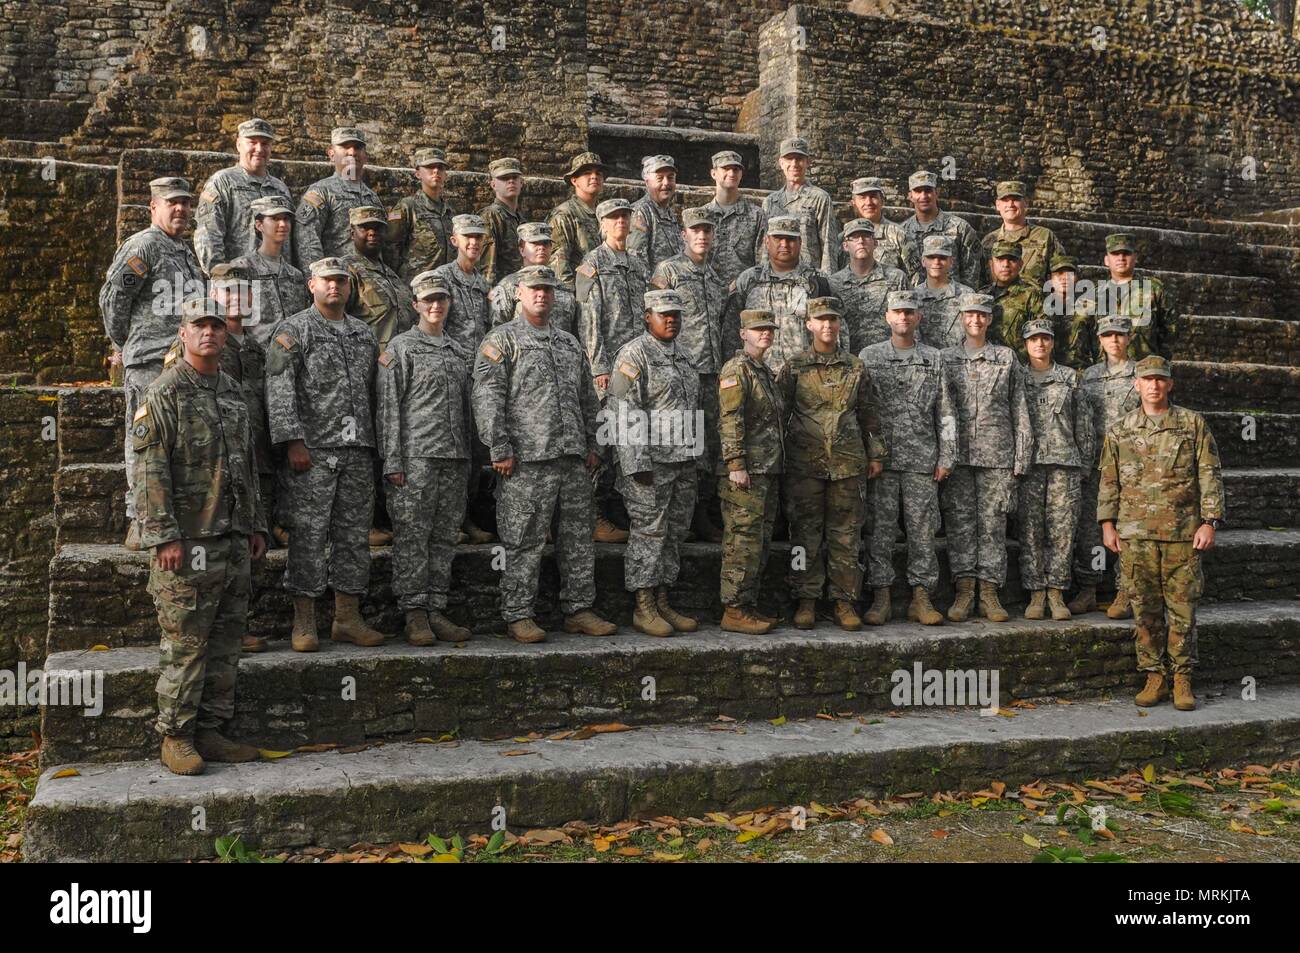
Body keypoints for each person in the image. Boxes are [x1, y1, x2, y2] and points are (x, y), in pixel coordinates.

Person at [132, 296, 266, 775]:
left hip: (231, 538)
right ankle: (176, 735)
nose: (208, 333)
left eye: (215, 325)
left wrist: (254, 525)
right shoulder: (163, 392)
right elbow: (149, 470)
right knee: (187, 642)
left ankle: (211, 729)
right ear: (183, 334)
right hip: (188, 544)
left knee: (227, 641)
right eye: (198, 325)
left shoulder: (231, 391)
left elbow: (245, 465)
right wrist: (164, 536)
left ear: (224, 335)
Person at [472, 265, 617, 643]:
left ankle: (580, 609)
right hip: (525, 461)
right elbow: (488, 398)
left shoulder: (569, 343)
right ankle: (519, 613)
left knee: (578, 538)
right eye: (534, 289)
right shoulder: (501, 340)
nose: (542, 295)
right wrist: (499, 447)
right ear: (519, 292)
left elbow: (589, 397)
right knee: (523, 539)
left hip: (572, 458)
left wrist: (594, 444)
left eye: (548, 289)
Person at [265, 257, 385, 652]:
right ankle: (305, 622)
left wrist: (378, 444)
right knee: (309, 537)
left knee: (353, 538)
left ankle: (347, 618)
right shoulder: (293, 330)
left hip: (357, 450)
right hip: (312, 452)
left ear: (350, 288)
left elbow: (373, 393)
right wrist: (292, 441)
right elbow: (280, 388)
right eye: (327, 281)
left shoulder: (362, 334)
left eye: (341, 281)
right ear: (311, 285)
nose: (335, 286)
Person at [1097, 355, 1224, 711]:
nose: (1153, 385)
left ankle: (1182, 677)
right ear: (1136, 384)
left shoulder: (1191, 424)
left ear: (1170, 384)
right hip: (1135, 534)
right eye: (1146, 379)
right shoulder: (1121, 429)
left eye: (1160, 379)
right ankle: (1154, 675)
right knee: (1145, 610)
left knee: (1182, 610)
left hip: (1183, 532)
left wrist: (1209, 521)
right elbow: (1109, 478)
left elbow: (1209, 473)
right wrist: (1107, 524)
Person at [164, 261, 275, 650]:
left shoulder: (254, 352)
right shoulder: (182, 369)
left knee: (243, 558)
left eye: (244, 292)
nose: (237, 298)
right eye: (228, 292)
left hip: (246, 467)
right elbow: (159, 450)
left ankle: (238, 626)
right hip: (199, 483)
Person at [100, 176, 205, 550]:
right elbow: (114, 301)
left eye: (185, 203)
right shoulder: (144, 246)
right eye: (171, 203)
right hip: (149, 362)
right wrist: (126, 345)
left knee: (178, 443)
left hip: (183, 364)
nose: (180, 209)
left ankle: (170, 516)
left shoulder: (185, 250)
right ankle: (139, 520)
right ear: (153, 208)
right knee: (145, 440)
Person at [376, 271, 474, 646]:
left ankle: (436, 607)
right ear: (415, 304)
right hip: (415, 458)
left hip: (453, 457)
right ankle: (415, 613)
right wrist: (393, 461)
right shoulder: (400, 349)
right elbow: (388, 409)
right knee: (413, 537)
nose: (436, 305)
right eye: (428, 299)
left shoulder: (458, 351)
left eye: (442, 299)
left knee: (444, 537)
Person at [779, 297, 886, 632]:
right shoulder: (794, 366)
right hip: (804, 463)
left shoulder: (855, 367)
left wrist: (876, 454)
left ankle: (844, 601)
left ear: (840, 325)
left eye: (833, 320)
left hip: (847, 463)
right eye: (821, 320)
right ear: (809, 324)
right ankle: (805, 600)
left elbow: (870, 413)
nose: (827, 326)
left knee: (846, 536)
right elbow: (779, 414)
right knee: (803, 536)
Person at [607, 289, 701, 637]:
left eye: (676, 313)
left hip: (683, 461)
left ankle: (663, 599)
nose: (671, 318)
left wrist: (695, 456)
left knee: (674, 535)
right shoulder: (633, 355)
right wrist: (635, 463)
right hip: (650, 465)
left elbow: (694, 410)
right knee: (649, 534)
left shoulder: (686, 357)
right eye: (664, 314)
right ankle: (643, 605)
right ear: (647, 316)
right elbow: (621, 410)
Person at [859, 290, 955, 627]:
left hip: (921, 459)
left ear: (919, 318)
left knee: (923, 531)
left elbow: (945, 411)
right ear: (887, 316)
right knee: (880, 531)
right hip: (881, 461)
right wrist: (868, 454)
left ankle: (921, 596)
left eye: (909, 312)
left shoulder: (935, 358)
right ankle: (881, 595)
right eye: (897, 312)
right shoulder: (869, 356)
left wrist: (947, 456)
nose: (903, 317)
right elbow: (864, 411)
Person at [939, 292, 1034, 622]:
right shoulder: (946, 358)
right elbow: (943, 413)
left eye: (982, 315)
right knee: (960, 525)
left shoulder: (1006, 358)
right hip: (960, 458)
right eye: (970, 315)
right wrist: (946, 454)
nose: (976, 320)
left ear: (990, 319)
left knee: (993, 526)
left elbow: (1020, 408)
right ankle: (964, 591)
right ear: (962, 318)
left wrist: (1022, 458)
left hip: (997, 454)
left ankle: (990, 592)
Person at [651, 206, 727, 543]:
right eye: (695, 230)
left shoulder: (714, 276)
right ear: (684, 235)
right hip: (680, 371)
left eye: (707, 231)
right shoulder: (668, 271)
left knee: (708, 442)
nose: (702, 236)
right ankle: (679, 514)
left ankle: (702, 512)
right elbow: (654, 320)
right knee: (682, 442)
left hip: (711, 372)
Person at [577, 198, 647, 543]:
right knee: (604, 440)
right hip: (611, 369)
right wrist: (598, 368)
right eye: (613, 218)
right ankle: (594, 514)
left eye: (624, 217)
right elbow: (588, 321)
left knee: (633, 439)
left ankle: (621, 510)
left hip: (638, 368)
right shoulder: (591, 265)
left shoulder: (638, 265)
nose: (620, 222)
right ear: (601, 225)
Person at [1017, 319, 1093, 621]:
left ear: (1053, 342)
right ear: (1025, 343)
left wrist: (1084, 464)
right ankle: (1036, 592)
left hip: (1065, 463)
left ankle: (1057, 591)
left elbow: (1083, 424)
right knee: (1031, 530)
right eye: (1034, 339)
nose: (1040, 344)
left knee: (1063, 530)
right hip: (1030, 464)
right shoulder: (1018, 377)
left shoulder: (1070, 378)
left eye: (1045, 338)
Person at [717, 310, 785, 634]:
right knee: (741, 541)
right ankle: (733, 609)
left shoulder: (764, 372)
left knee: (759, 542)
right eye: (758, 329)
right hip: (746, 472)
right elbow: (731, 418)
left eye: (769, 329)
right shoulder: (737, 369)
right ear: (743, 333)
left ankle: (749, 605)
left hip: (767, 470)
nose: (765, 334)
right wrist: (736, 464)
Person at [1070, 316, 1140, 617]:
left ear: (1128, 338)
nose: (1114, 340)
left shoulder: (1142, 375)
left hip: (1129, 466)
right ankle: (1089, 588)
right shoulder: (1089, 376)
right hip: (1095, 463)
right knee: (1090, 529)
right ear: (1099, 340)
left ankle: (1124, 591)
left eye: (1120, 335)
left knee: (1126, 528)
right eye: (1108, 335)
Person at [434, 214, 495, 544]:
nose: (474, 242)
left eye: (478, 237)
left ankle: (466, 516)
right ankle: (448, 520)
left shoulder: (483, 284)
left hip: (479, 380)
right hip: (451, 377)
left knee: (473, 453)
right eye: (467, 237)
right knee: (451, 453)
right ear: (454, 240)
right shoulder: (442, 279)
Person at [724, 215, 832, 374]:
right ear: (767, 242)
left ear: (800, 243)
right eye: (778, 238)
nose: (784, 244)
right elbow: (731, 329)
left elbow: (835, 330)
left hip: (805, 375)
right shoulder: (749, 280)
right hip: (757, 375)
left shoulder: (817, 281)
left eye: (791, 239)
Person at [193, 117, 291, 273]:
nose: (259, 149)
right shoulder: (222, 183)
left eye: (265, 144)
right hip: (239, 286)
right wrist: (220, 275)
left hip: (277, 283)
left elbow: (288, 243)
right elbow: (208, 234)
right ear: (239, 144)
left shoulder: (280, 189)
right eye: (252, 142)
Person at [1068, 233, 1179, 366]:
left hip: (1144, 372)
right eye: (1115, 254)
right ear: (1106, 260)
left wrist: (1158, 363)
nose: (1121, 258)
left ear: (1135, 257)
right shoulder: (1092, 296)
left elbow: (1171, 330)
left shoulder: (1154, 289)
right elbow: (1079, 336)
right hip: (1105, 374)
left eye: (1126, 253)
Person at [293, 127, 380, 269]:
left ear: (365, 155)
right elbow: (306, 240)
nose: (352, 152)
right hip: (337, 282)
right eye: (345, 147)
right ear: (332, 154)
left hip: (370, 282)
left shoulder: (373, 198)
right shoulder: (321, 192)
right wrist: (316, 280)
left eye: (357, 147)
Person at [238, 195, 309, 348]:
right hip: (256, 357)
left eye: (286, 219)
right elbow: (233, 319)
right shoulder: (242, 268)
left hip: (294, 357)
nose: (283, 224)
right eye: (275, 219)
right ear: (259, 225)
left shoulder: (295, 275)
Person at [829, 218, 908, 352]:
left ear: (875, 243)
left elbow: (908, 320)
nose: (861, 241)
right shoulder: (834, 283)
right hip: (849, 360)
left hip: (887, 358)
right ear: (845, 246)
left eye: (866, 236)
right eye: (854, 237)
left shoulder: (896, 278)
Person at [343, 205, 417, 349]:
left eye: (378, 228)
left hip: (400, 360)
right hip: (369, 361)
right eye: (364, 228)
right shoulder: (346, 271)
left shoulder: (391, 274)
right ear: (352, 233)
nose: (372, 233)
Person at [489, 221, 580, 337]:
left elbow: (575, 331)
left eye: (545, 243)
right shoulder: (507, 286)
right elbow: (495, 331)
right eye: (535, 243)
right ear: (522, 249)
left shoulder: (563, 288)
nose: (541, 247)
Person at [762, 137, 836, 273]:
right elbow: (765, 246)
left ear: (808, 162)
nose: (794, 164)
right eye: (789, 159)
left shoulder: (819, 198)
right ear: (781, 163)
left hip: (808, 277)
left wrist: (828, 282)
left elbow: (828, 244)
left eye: (799, 159)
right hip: (776, 277)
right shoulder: (770, 202)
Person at [900, 170, 982, 289]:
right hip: (915, 302)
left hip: (953, 301)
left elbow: (972, 271)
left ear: (936, 193)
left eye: (928, 190)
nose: (923, 196)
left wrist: (965, 300)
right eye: (918, 191)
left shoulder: (960, 228)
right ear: (910, 196)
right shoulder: (902, 232)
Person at [384, 146, 454, 282]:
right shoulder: (407, 207)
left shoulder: (450, 212)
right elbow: (390, 249)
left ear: (446, 174)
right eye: (430, 167)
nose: (436, 171)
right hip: (416, 288)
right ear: (418, 173)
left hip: (445, 288)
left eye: (440, 167)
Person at [978, 180, 1065, 289]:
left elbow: (1062, 276)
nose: (1010, 204)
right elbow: (981, 280)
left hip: (1036, 303)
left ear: (1026, 203)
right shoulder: (989, 241)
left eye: (1016, 200)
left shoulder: (1044, 237)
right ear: (998, 205)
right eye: (1005, 200)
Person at [702, 150, 766, 287]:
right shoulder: (702, 215)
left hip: (744, 294)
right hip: (708, 293)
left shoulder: (756, 215)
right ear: (713, 173)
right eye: (726, 168)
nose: (731, 173)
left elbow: (763, 262)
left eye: (736, 169)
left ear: (741, 174)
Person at [547, 151, 607, 289]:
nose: (594, 177)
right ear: (574, 180)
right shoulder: (564, 214)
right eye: (587, 173)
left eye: (598, 173)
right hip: (581, 293)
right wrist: (572, 298)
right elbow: (558, 264)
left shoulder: (605, 214)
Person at [845, 177, 920, 280]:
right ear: (853, 203)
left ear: (882, 201)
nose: (868, 202)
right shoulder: (845, 238)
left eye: (873, 197)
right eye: (862, 197)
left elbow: (916, 277)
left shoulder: (899, 235)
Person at [983, 240, 1044, 359]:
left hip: (1019, 365)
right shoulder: (983, 295)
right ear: (991, 264)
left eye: (1012, 260)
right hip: (987, 366)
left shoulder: (1031, 294)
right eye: (1000, 259)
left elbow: (1041, 335)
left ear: (1021, 264)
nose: (1006, 264)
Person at [914, 234, 974, 350]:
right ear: (923, 261)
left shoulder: (966, 295)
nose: (936, 262)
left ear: (951, 262)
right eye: (931, 257)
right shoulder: (914, 296)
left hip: (958, 362)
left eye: (942, 257)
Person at [628, 154, 683, 274]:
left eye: (670, 177)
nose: (666, 183)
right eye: (660, 178)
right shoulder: (640, 212)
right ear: (647, 182)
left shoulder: (669, 213)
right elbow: (636, 260)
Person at [478, 157, 525, 286]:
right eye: (504, 178)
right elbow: (487, 265)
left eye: (515, 177)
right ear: (493, 184)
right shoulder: (490, 216)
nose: (511, 181)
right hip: (500, 290)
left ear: (521, 182)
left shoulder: (521, 219)